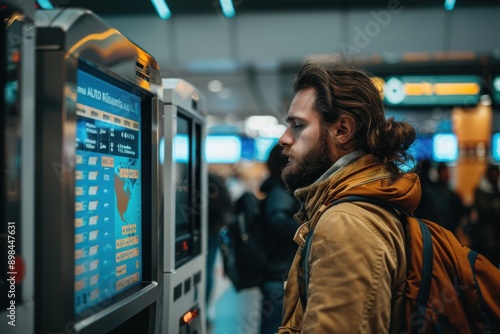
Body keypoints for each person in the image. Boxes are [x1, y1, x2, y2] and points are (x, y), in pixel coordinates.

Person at [277, 60, 421, 333]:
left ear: (342, 129)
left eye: (297, 125)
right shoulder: (361, 203)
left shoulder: (346, 225)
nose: (284, 139)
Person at [259, 144, 300, 334]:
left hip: (278, 272)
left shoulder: (279, 189)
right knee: (275, 326)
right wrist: (308, 231)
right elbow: (278, 221)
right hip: (279, 274)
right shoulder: (280, 191)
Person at [206, 173, 232, 305]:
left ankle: (204, 306)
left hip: (210, 231)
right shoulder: (214, 180)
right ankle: (204, 307)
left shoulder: (209, 179)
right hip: (213, 230)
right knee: (208, 269)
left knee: (207, 269)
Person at [471, 164, 500, 268]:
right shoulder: (481, 191)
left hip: (496, 235)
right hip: (487, 238)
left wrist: (494, 205)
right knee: (488, 266)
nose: (495, 177)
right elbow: (485, 210)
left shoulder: (497, 189)